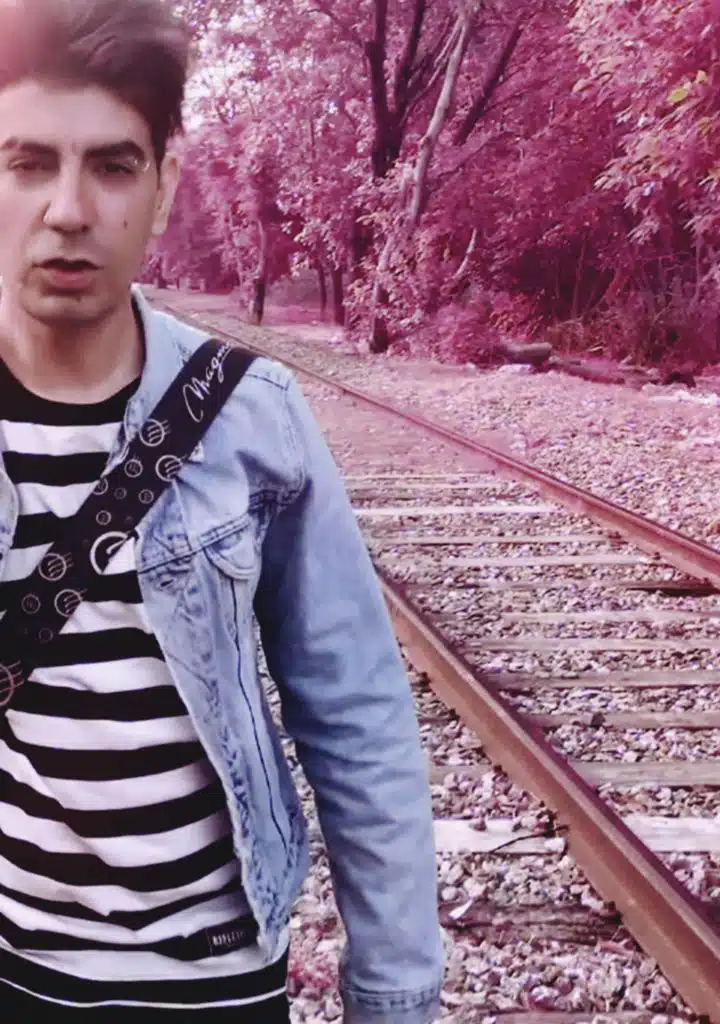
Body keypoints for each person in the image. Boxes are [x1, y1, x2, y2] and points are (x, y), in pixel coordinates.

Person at [0, 0, 445, 1020]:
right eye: (27, 163)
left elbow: (358, 719)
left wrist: (392, 994)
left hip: (211, 983)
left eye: (112, 166)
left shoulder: (254, 415)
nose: (68, 209)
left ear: (162, 188)